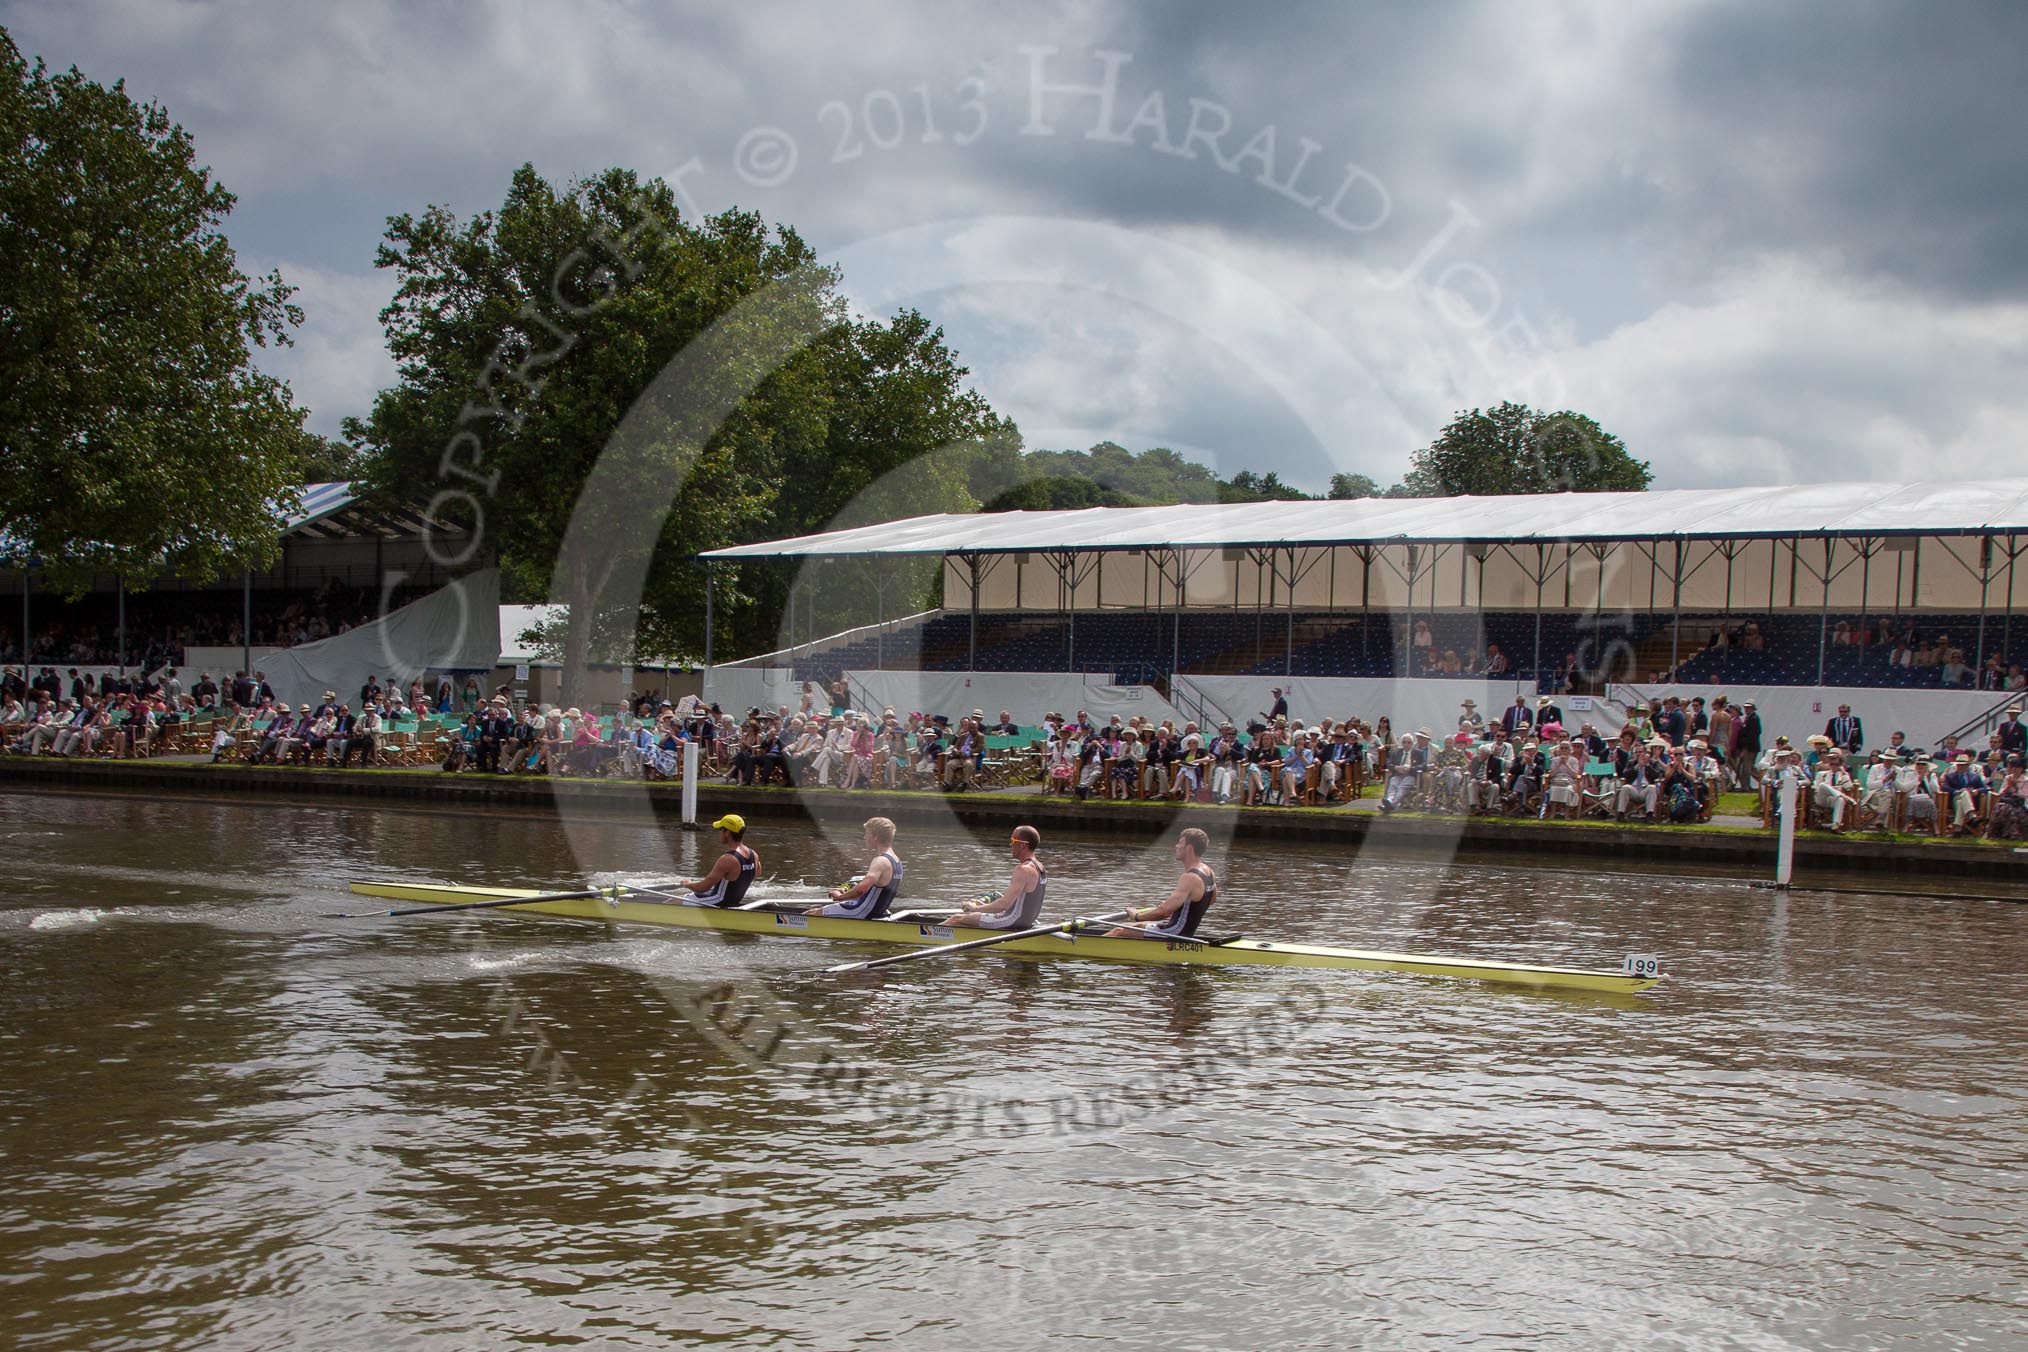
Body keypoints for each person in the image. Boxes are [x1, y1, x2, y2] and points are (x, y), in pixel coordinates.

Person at [1104, 828, 1216, 939]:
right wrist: (1178, 906)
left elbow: (1164, 913)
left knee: (1118, 931)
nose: (1176, 846)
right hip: (1185, 933)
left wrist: (1137, 916)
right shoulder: (1208, 871)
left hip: (1174, 932)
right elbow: (1211, 899)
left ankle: (1089, 948)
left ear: (1189, 848)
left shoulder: (1189, 877)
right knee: (1127, 927)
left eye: (1180, 843)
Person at [945, 824, 1048, 929]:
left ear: (1023, 845)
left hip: (1011, 921)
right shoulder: (1041, 868)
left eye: (1013, 841)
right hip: (1025, 923)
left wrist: (975, 908)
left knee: (956, 919)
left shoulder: (1022, 869)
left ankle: (928, 936)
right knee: (964, 921)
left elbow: (1004, 905)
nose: (1010, 845)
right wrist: (981, 905)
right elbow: (1020, 903)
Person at [808, 817, 903, 919]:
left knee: (810, 914)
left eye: (867, 833)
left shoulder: (880, 861)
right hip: (876, 913)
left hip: (860, 911)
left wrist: (840, 897)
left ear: (876, 837)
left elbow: (862, 889)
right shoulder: (897, 862)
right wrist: (847, 889)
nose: (864, 837)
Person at [679, 814, 761, 908]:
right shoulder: (754, 855)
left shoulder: (727, 859)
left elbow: (702, 888)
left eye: (720, 829)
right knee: (689, 894)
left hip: (718, 902)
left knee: (674, 901)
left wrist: (687, 884)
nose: (720, 833)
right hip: (732, 901)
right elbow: (757, 872)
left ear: (727, 832)